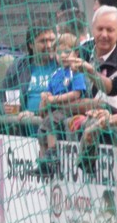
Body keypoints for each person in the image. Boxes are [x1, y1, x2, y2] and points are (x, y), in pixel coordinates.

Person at [32, 33, 87, 174]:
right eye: (59, 52)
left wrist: (54, 99)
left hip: (69, 109)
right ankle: (43, 161)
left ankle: (52, 153)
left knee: (51, 122)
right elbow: (48, 92)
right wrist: (45, 96)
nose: (62, 56)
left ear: (76, 53)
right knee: (41, 130)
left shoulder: (76, 71)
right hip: (55, 109)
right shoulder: (56, 73)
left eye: (67, 52)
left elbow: (76, 94)